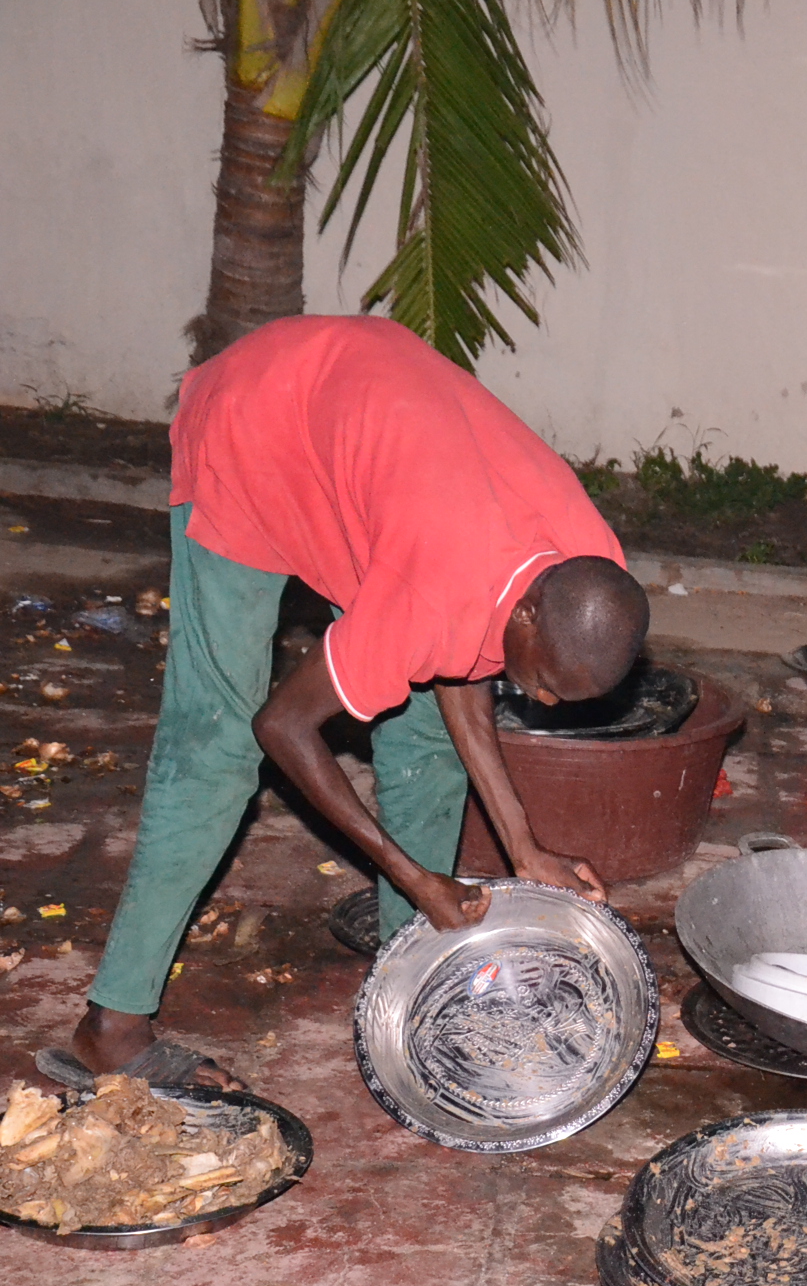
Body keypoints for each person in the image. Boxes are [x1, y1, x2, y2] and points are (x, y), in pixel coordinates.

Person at [42, 316, 650, 1091]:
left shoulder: (588, 570)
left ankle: (415, 973)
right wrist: (411, 872)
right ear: (529, 611)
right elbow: (283, 726)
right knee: (218, 749)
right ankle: (112, 1024)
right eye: (544, 683)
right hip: (254, 430)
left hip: (369, 450)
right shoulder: (438, 590)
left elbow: (466, 651)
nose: (537, 698)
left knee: (429, 745)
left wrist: (522, 847)